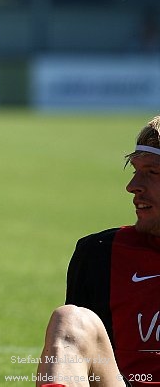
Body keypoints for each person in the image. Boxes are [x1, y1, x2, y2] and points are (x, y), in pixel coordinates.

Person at [36, 115, 160, 387]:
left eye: (152, 173)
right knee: (70, 320)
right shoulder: (101, 253)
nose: (133, 186)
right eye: (135, 170)